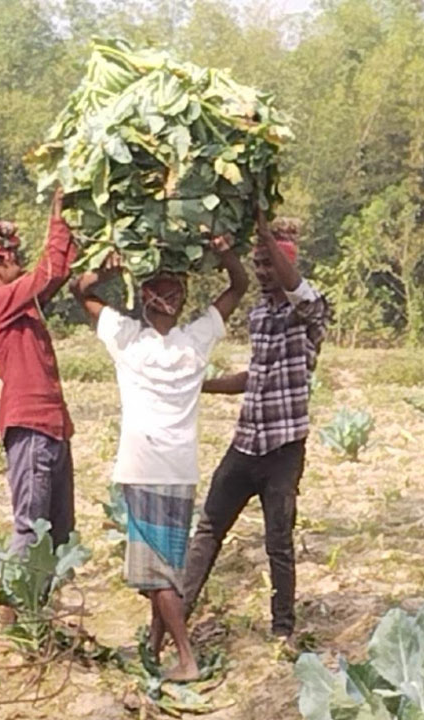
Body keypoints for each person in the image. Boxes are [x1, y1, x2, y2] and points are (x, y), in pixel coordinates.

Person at [71, 236, 248, 681]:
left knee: (157, 574)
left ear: (145, 299)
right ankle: (154, 647)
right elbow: (239, 285)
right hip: (181, 469)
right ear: (181, 300)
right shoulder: (196, 340)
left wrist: (109, 270)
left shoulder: (128, 340)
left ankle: (186, 658)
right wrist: (224, 251)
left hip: (143, 466)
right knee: (166, 563)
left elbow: (80, 292)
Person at [183, 212, 330, 642]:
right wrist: (199, 385)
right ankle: (176, 616)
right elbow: (255, 376)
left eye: (270, 263)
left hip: (284, 448)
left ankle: (283, 631)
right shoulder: (260, 313)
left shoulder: (311, 311)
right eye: (259, 264)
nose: (264, 272)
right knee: (208, 529)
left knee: (278, 542)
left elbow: (300, 292)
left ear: (288, 262)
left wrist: (265, 233)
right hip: (246, 442)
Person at [0, 188, 77, 554]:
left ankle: (43, 592)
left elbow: (58, 273)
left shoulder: (19, 303)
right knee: (31, 528)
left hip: (53, 425)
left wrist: (75, 227)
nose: (20, 263)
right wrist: (57, 214)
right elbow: (48, 272)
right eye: (14, 257)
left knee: (60, 534)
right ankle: (16, 592)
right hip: (30, 427)